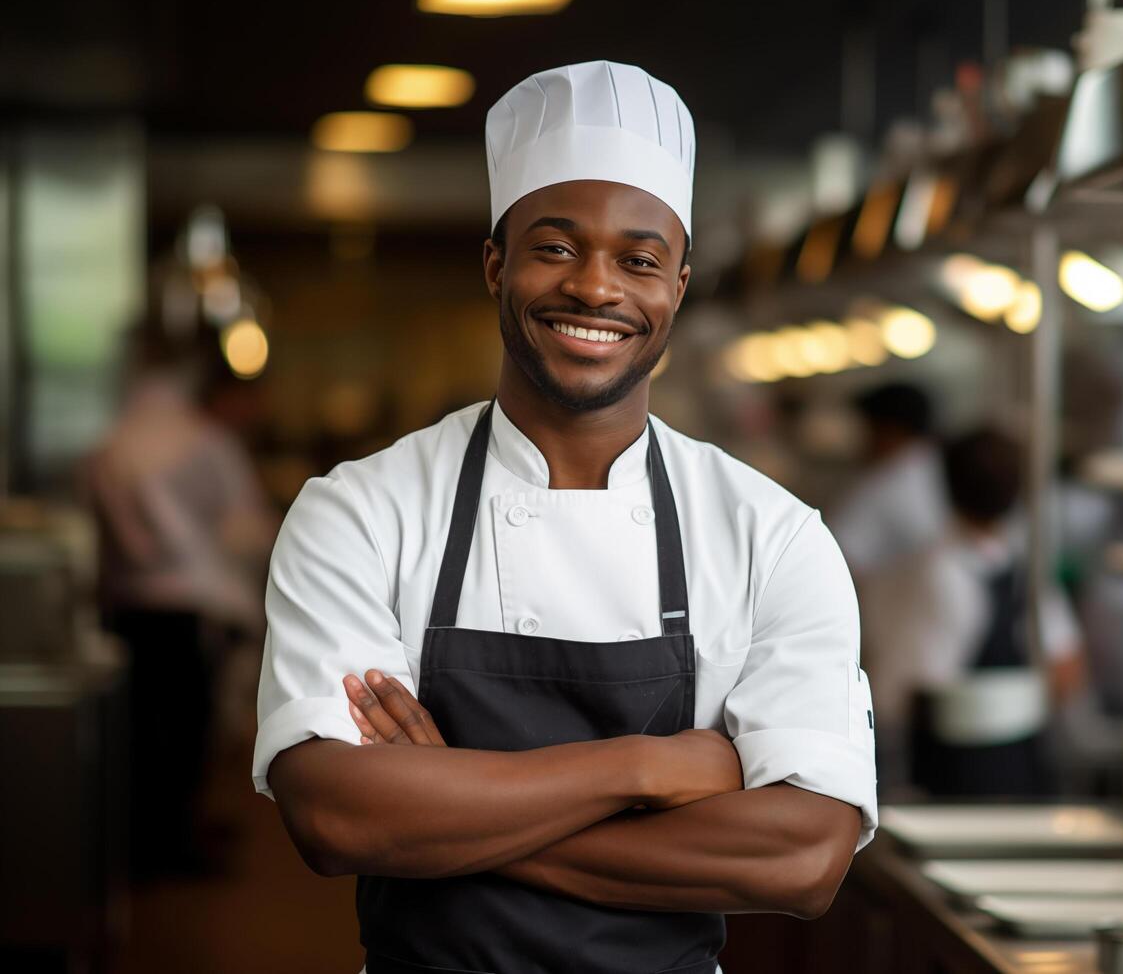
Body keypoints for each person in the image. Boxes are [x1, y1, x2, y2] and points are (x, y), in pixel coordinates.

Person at [254, 61, 876, 974]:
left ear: (679, 286)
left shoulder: (772, 537)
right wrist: (647, 769)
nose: (595, 288)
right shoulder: (361, 511)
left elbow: (804, 856)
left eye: (639, 259)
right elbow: (339, 816)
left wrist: (446, 809)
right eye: (555, 247)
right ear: (496, 264)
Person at [85, 325, 276, 877]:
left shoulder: (112, 444)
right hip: (191, 607)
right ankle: (174, 844)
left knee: (144, 732)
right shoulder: (203, 441)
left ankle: (153, 840)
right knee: (186, 732)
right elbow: (247, 531)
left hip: (127, 606)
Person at [860, 426, 1084, 798]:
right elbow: (1067, 672)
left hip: (944, 777)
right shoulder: (1026, 576)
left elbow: (893, 693)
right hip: (1016, 776)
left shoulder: (920, 574)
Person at [829, 382, 947, 579]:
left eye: (867, 428)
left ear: (889, 430)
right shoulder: (936, 468)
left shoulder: (885, 485)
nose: (861, 438)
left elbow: (834, 558)